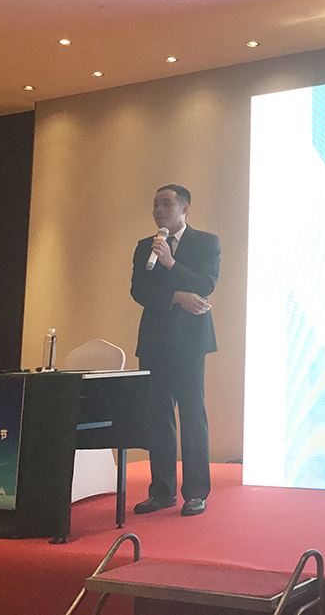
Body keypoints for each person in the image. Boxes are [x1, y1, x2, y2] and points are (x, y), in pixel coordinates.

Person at [130, 184, 220, 517]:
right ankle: (162, 491)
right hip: (154, 340)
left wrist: (170, 263)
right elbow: (139, 291)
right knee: (157, 415)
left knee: (192, 414)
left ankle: (196, 493)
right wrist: (176, 297)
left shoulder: (206, 242)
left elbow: (206, 284)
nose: (158, 210)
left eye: (166, 204)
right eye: (155, 204)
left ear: (184, 209)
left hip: (190, 342)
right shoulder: (145, 247)